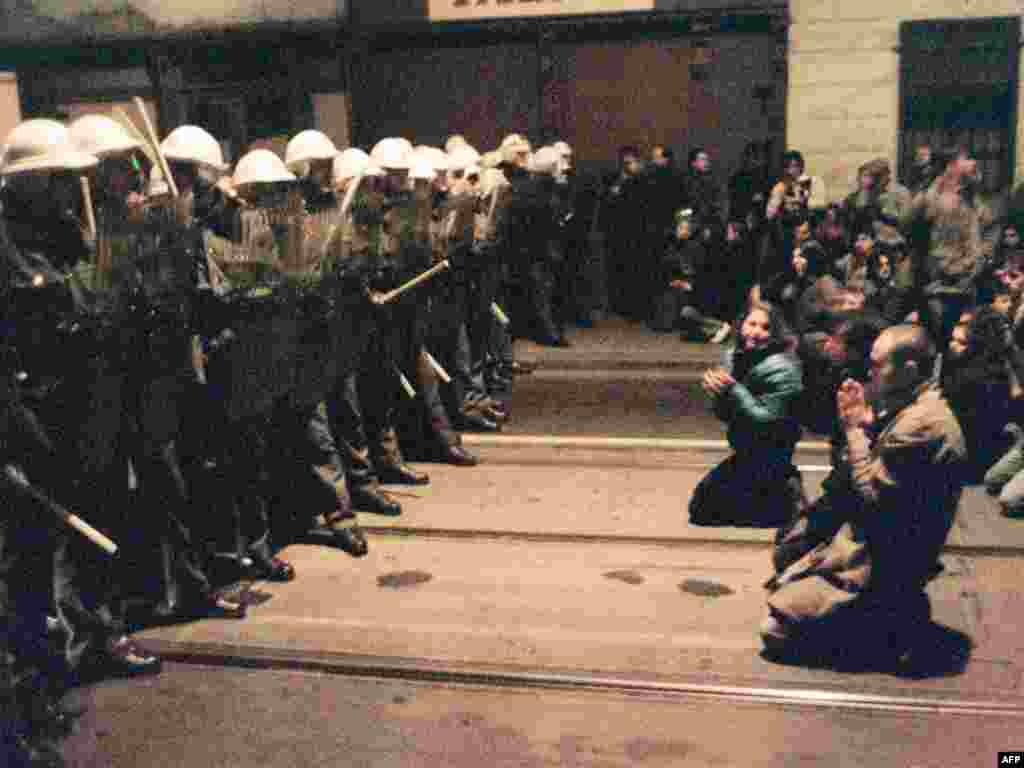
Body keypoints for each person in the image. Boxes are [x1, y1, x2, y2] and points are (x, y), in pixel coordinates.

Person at [763, 325, 966, 663]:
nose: (869, 372)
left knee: (774, 630)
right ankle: (889, 611)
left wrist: (856, 430)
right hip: (879, 538)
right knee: (787, 554)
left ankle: (889, 620)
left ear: (910, 370)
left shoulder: (922, 425)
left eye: (877, 365)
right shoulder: (917, 404)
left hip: (886, 557)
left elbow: (871, 496)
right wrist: (868, 424)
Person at [689, 302, 803, 526]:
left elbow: (769, 421)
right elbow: (727, 415)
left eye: (765, 327)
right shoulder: (734, 357)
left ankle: (788, 486)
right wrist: (719, 393)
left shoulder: (783, 368)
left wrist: (733, 390)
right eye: (751, 324)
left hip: (771, 453)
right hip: (745, 451)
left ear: (774, 334)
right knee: (703, 507)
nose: (756, 332)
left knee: (763, 515)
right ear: (741, 326)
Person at [902, 145, 982, 348]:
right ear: (952, 165)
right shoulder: (931, 196)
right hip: (936, 284)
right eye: (967, 158)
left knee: (958, 342)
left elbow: (975, 236)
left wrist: (971, 264)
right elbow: (908, 223)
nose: (973, 163)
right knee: (938, 342)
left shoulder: (968, 195)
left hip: (963, 282)